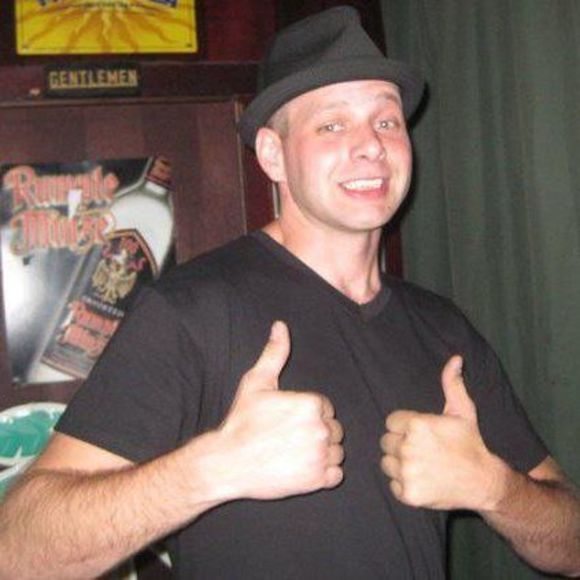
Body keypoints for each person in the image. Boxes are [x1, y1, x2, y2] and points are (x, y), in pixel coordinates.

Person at [1, 6, 579, 579]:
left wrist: (493, 488)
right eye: (332, 125)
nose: (371, 146)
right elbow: (17, 555)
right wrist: (213, 469)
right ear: (273, 156)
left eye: (386, 121)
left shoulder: (443, 328)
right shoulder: (191, 311)